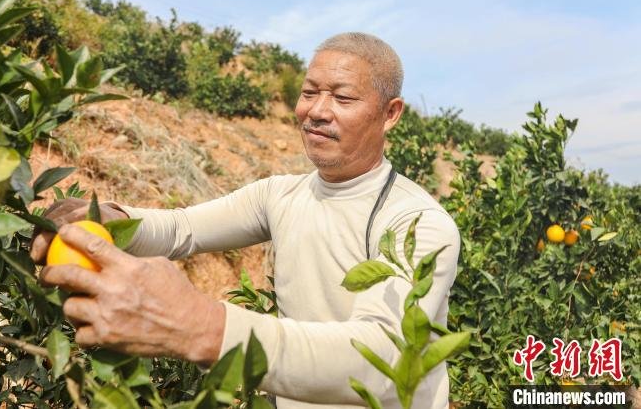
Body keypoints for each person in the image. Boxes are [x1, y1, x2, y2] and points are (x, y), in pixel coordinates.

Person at [31, 32, 461, 409]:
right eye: (310, 92)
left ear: (391, 114)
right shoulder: (280, 194)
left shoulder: (416, 221)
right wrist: (108, 219)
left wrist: (204, 326)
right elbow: (183, 229)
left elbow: (381, 358)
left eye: (343, 98)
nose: (317, 111)